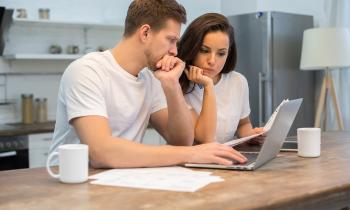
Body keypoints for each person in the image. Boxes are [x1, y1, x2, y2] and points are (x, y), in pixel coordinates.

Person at [49, 0, 247, 168]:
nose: (175, 51)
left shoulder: (151, 79)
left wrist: (171, 86)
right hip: (73, 182)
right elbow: (101, 151)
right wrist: (191, 155)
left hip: (120, 179)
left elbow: (181, 141)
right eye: (171, 40)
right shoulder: (87, 71)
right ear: (145, 33)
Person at [178, 13, 264, 144]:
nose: (212, 61)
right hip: (193, 161)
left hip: (225, 159)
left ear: (228, 54)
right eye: (204, 50)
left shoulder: (238, 81)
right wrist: (208, 86)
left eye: (221, 53)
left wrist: (252, 136)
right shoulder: (178, 85)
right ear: (192, 48)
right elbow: (204, 138)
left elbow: (243, 124)